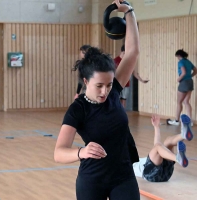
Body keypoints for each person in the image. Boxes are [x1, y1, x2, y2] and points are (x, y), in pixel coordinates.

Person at [54, 0, 141, 199]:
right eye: (99, 86)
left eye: (109, 85)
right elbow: (58, 152)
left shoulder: (114, 91)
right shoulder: (78, 109)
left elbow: (133, 51)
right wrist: (81, 152)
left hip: (123, 176)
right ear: (86, 81)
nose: (105, 91)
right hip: (92, 180)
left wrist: (129, 11)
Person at [133, 114, 193, 182]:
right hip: (150, 174)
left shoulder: (136, 160)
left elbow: (157, 145)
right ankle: (178, 158)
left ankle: (183, 135)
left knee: (168, 141)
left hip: (165, 173)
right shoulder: (127, 164)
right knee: (158, 147)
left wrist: (156, 127)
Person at [168, 49, 197, 126]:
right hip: (190, 82)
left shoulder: (181, 62)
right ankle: (190, 121)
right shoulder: (188, 62)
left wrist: (179, 79)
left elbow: (183, 72)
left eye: (177, 57)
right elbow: (196, 71)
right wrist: (190, 76)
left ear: (179, 56)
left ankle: (176, 120)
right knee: (186, 102)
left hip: (184, 82)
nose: (177, 58)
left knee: (179, 102)